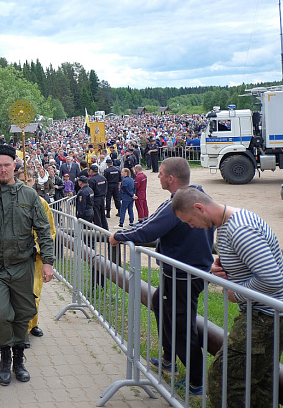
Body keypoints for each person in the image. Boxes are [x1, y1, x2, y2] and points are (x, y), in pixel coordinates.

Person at [171, 187, 283, 406]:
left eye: (189, 220)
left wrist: (235, 293)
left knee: (224, 380)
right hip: (274, 314)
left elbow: (272, 279)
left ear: (199, 208)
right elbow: (247, 265)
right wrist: (222, 270)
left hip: (270, 316)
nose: (191, 226)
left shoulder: (240, 230)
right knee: (260, 382)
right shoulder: (227, 225)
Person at [109, 158, 214, 395]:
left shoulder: (180, 201)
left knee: (181, 327)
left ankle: (197, 383)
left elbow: (150, 229)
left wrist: (120, 235)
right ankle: (168, 360)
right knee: (159, 305)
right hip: (186, 271)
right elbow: (154, 221)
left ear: (171, 178)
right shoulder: (198, 195)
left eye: (161, 174)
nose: (157, 177)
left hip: (182, 274)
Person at [0, 144, 53, 386]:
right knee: (0, 314)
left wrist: (47, 262)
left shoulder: (29, 195)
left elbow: (44, 230)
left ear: (15, 165)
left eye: (7, 164)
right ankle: (4, 356)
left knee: (23, 315)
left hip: (22, 265)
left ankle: (19, 358)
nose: (3, 169)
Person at [15, 168, 56, 346]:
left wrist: (41, 250)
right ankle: (20, 328)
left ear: (34, 182)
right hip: (17, 257)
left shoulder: (41, 203)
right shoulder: (12, 202)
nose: (26, 184)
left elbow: (50, 230)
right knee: (18, 295)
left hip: (36, 257)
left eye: (29, 181)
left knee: (34, 293)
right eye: (22, 181)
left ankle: (32, 324)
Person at [88, 164, 108, 230]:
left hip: (95, 199)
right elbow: (106, 188)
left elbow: (90, 191)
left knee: (96, 216)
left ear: (91, 170)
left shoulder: (91, 180)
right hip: (102, 198)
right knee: (103, 215)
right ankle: (106, 229)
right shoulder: (103, 178)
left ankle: (99, 231)